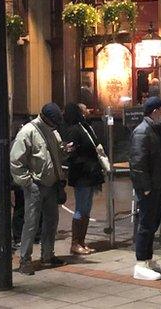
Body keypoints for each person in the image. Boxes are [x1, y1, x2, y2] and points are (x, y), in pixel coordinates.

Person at [11, 103, 69, 275]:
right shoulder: (27, 132)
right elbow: (16, 161)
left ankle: (47, 255)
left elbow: (58, 154)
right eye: (53, 122)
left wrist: (65, 150)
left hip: (51, 184)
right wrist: (27, 182)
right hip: (35, 185)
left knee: (51, 221)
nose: (55, 125)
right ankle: (25, 260)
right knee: (31, 223)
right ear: (45, 118)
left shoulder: (53, 131)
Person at [129, 96, 161, 281]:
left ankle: (148, 259)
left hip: (158, 185)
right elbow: (138, 162)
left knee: (152, 223)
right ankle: (140, 263)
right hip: (150, 187)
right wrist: (145, 188)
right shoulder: (142, 132)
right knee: (146, 225)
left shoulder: (154, 129)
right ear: (155, 112)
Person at [61, 103, 105, 256]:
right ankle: (75, 243)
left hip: (90, 173)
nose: (88, 110)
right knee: (81, 208)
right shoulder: (74, 129)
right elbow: (71, 154)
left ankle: (82, 241)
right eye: (84, 109)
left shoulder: (85, 126)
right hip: (82, 175)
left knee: (87, 208)